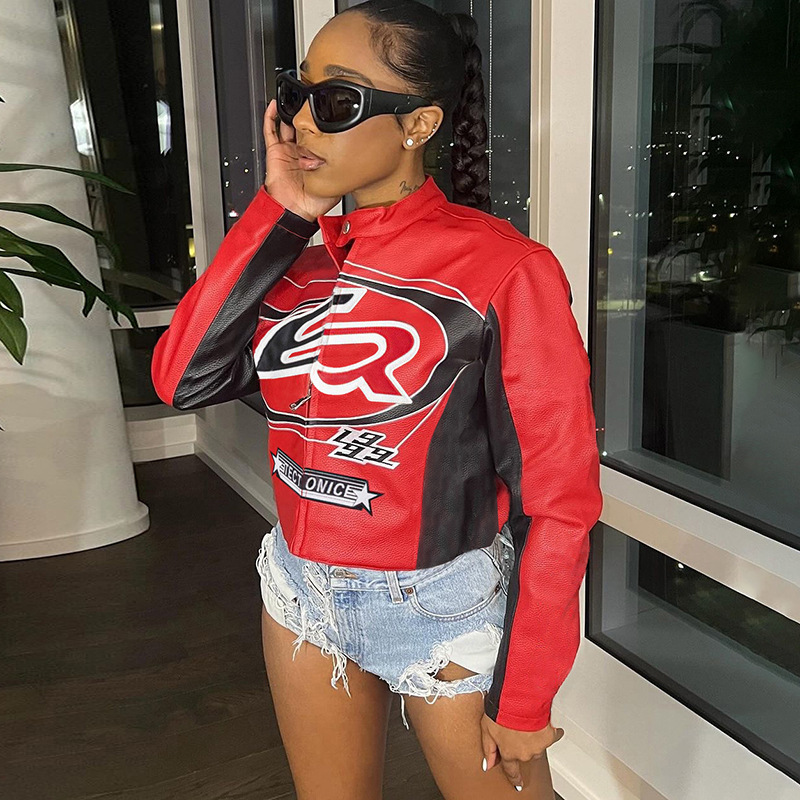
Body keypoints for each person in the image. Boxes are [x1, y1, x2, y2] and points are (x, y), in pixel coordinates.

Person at [151, 2, 603, 797]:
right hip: (300, 591)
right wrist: (284, 212)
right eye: (296, 93)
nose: (301, 121)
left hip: (441, 607)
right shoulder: (297, 260)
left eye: (336, 100)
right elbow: (182, 379)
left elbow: (559, 500)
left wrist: (526, 694)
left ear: (418, 124)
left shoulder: (504, 270)